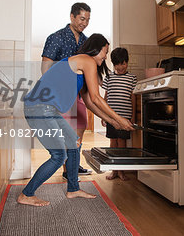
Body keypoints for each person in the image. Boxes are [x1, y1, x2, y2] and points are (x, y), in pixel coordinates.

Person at [18, 34, 134, 207]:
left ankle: (73, 188)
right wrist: (118, 119)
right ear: (97, 48)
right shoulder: (86, 60)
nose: (105, 56)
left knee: (74, 142)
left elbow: (89, 102)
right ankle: (26, 194)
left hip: (48, 109)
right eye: (105, 51)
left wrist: (112, 121)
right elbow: (96, 98)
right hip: (40, 107)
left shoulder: (84, 64)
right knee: (58, 156)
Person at [41, 2, 92, 179]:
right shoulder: (56, 37)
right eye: (82, 19)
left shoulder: (86, 41)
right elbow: (46, 66)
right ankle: (66, 170)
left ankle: (74, 164)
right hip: (59, 93)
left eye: (87, 20)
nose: (84, 23)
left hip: (76, 92)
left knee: (81, 126)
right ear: (72, 17)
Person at [101, 47, 137, 181]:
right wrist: (103, 115)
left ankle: (121, 170)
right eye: (117, 64)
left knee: (122, 142)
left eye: (123, 63)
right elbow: (105, 96)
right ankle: (114, 170)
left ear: (127, 62)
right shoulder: (109, 77)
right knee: (113, 142)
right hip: (111, 118)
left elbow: (133, 98)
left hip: (125, 117)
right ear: (113, 64)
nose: (120, 67)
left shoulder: (132, 78)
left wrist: (133, 116)